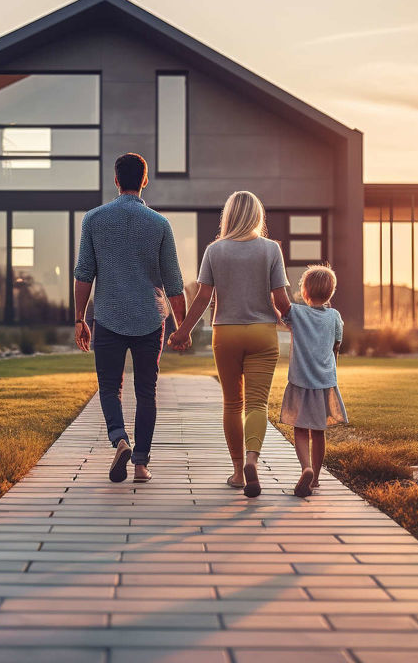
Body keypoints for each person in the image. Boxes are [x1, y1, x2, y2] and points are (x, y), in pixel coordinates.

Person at [168, 191, 290, 498]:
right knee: (258, 403)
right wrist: (292, 319)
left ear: (229, 216)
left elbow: (203, 298)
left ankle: (238, 473)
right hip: (262, 332)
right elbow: (281, 301)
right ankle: (252, 460)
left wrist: (183, 331)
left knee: (233, 404)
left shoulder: (215, 250)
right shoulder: (271, 250)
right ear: (257, 216)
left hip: (227, 333)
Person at [73, 153, 186, 484]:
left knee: (110, 386)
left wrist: (80, 318)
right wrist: (181, 328)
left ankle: (119, 438)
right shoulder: (160, 224)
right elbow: (174, 282)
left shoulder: (93, 220)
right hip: (150, 319)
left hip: (106, 316)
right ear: (145, 180)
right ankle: (140, 465)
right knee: (146, 391)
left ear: (116, 180)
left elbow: (83, 274)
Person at [278, 265, 347, 498]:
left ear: (305, 291)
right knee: (318, 431)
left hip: (299, 380)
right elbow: (336, 346)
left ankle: (305, 467)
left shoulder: (296, 313)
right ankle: (315, 478)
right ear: (331, 292)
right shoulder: (335, 317)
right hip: (324, 382)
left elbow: (280, 308)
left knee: (300, 428)